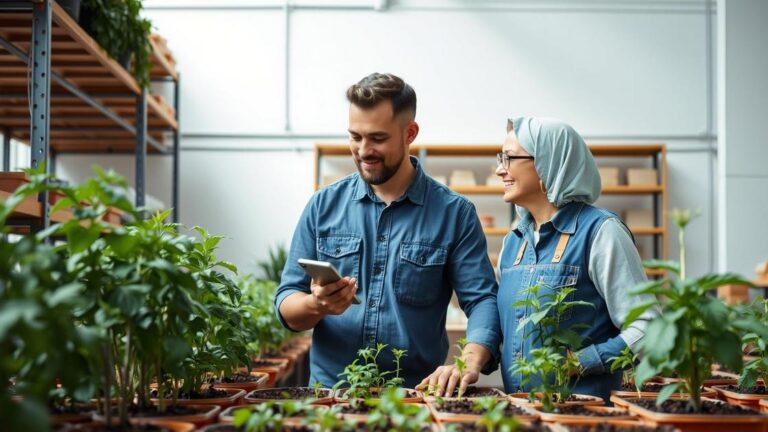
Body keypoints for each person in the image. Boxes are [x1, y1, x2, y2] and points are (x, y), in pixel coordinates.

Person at [274, 73, 501, 390]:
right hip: (330, 398)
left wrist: (469, 361)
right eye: (355, 136)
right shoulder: (322, 206)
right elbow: (286, 302)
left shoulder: (454, 214)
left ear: (409, 133)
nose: (363, 150)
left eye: (378, 138)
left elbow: (482, 301)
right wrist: (317, 305)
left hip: (413, 398)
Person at [422, 117, 656, 402]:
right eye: (500, 158)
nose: (499, 170)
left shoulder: (602, 232)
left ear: (548, 160)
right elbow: (497, 317)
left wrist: (581, 362)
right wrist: (468, 361)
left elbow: (648, 327)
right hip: (523, 412)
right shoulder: (515, 241)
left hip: (584, 415)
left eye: (509, 158)